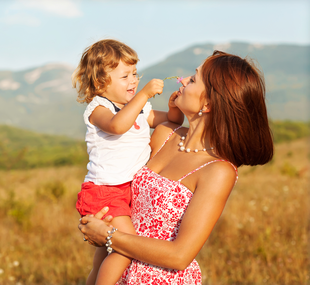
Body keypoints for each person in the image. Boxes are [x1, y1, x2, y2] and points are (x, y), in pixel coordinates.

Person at [79, 50, 274, 284]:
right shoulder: (164, 135)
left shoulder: (218, 170)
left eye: (193, 79)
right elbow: (117, 179)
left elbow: (180, 256)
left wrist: (109, 236)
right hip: (118, 274)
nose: (182, 80)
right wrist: (97, 221)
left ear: (209, 103)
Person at [72, 39, 184, 285]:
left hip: (126, 191)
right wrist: (143, 94)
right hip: (105, 191)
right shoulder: (99, 107)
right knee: (123, 249)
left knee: (104, 256)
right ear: (101, 82)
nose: (133, 81)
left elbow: (171, 122)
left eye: (134, 74)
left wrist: (174, 107)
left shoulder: (140, 109)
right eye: (125, 76)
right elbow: (117, 126)